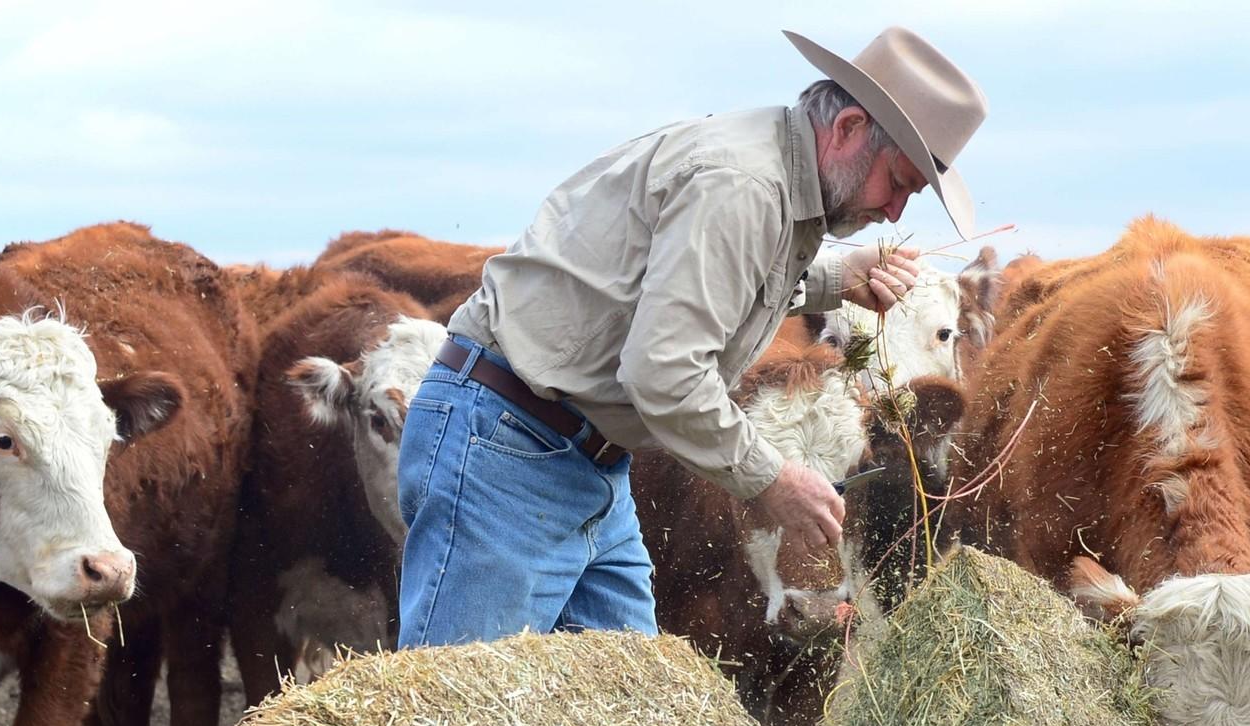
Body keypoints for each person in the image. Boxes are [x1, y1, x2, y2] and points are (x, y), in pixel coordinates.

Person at [398, 26, 989, 646]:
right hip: (508, 448)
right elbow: (665, 374)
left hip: (571, 450)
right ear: (847, 129)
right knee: (460, 714)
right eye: (898, 182)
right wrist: (775, 480)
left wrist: (834, 278)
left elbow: (702, 281)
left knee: (636, 712)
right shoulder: (743, 187)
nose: (894, 212)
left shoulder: (764, 170)